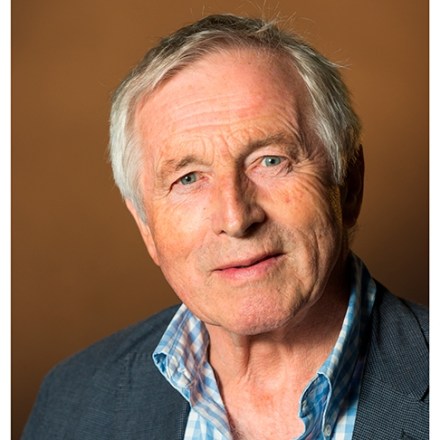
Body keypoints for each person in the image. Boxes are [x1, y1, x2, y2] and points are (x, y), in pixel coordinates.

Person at [22, 14, 428, 440]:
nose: (235, 219)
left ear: (350, 184)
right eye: (188, 179)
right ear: (145, 226)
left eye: (270, 160)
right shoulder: (73, 403)